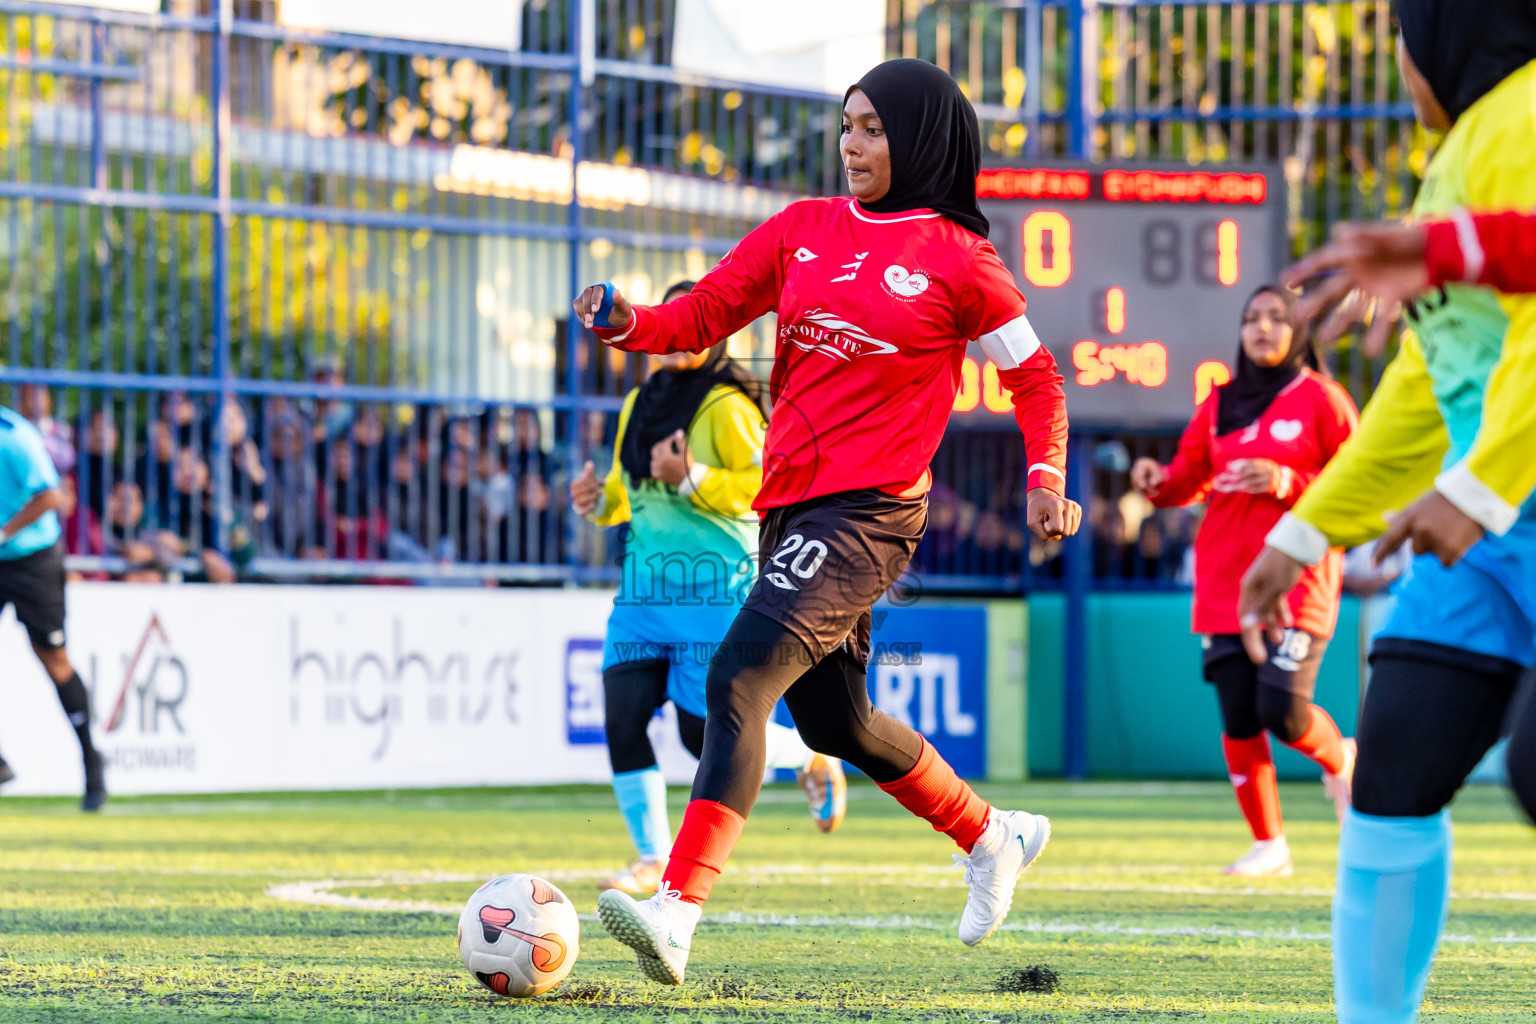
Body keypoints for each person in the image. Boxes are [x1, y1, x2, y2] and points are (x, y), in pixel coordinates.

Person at [574, 58, 1079, 985]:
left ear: (920, 138)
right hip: (792, 508)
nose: (853, 144)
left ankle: (675, 911)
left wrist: (1043, 476)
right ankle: (991, 834)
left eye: (875, 128)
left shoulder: (961, 260)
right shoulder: (803, 229)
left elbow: (1036, 379)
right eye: (848, 125)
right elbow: (702, 314)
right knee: (838, 722)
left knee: (737, 677)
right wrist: (625, 321)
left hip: (873, 512)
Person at [1239, 8, 1536, 1022]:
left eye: (1403, 33)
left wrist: (1480, 484)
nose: (1402, 62)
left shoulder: (1528, 113)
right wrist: (1305, 529)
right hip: (1491, 541)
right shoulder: (1462, 149)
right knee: (1393, 768)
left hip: (1496, 502)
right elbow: (1426, 383)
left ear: (1444, 36)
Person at [571, 279, 848, 896]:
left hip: (714, 597)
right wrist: (598, 501)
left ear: (711, 335)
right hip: (642, 599)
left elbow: (765, 489)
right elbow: (629, 495)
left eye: (686, 323)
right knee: (623, 718)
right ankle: (650, 856)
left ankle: (809, 757)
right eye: (665, 322)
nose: (671, 336)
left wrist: (691, 473)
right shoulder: (638, 402)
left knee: (708, 737)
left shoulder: (730, 406)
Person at [1131, 286, 1359, 877]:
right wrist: (1157, 480)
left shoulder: (1324, 401)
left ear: (1299, 332)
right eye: (1252, 319)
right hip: (1223, 582)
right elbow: (1186, 480)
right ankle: (1270, 844)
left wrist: (1287, 478)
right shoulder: (1220, 402)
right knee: (1239, 714)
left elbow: (1359, 485)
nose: (1262, 329)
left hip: (1296, 582)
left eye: (1277, 318)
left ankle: (1343, 760)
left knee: (1282, 710)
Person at [0, 404, 107, 810]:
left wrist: (5, 531)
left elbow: (51, 497)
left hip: (32, 558)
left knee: (53, 659)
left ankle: (92, 764)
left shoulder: (14, 437)